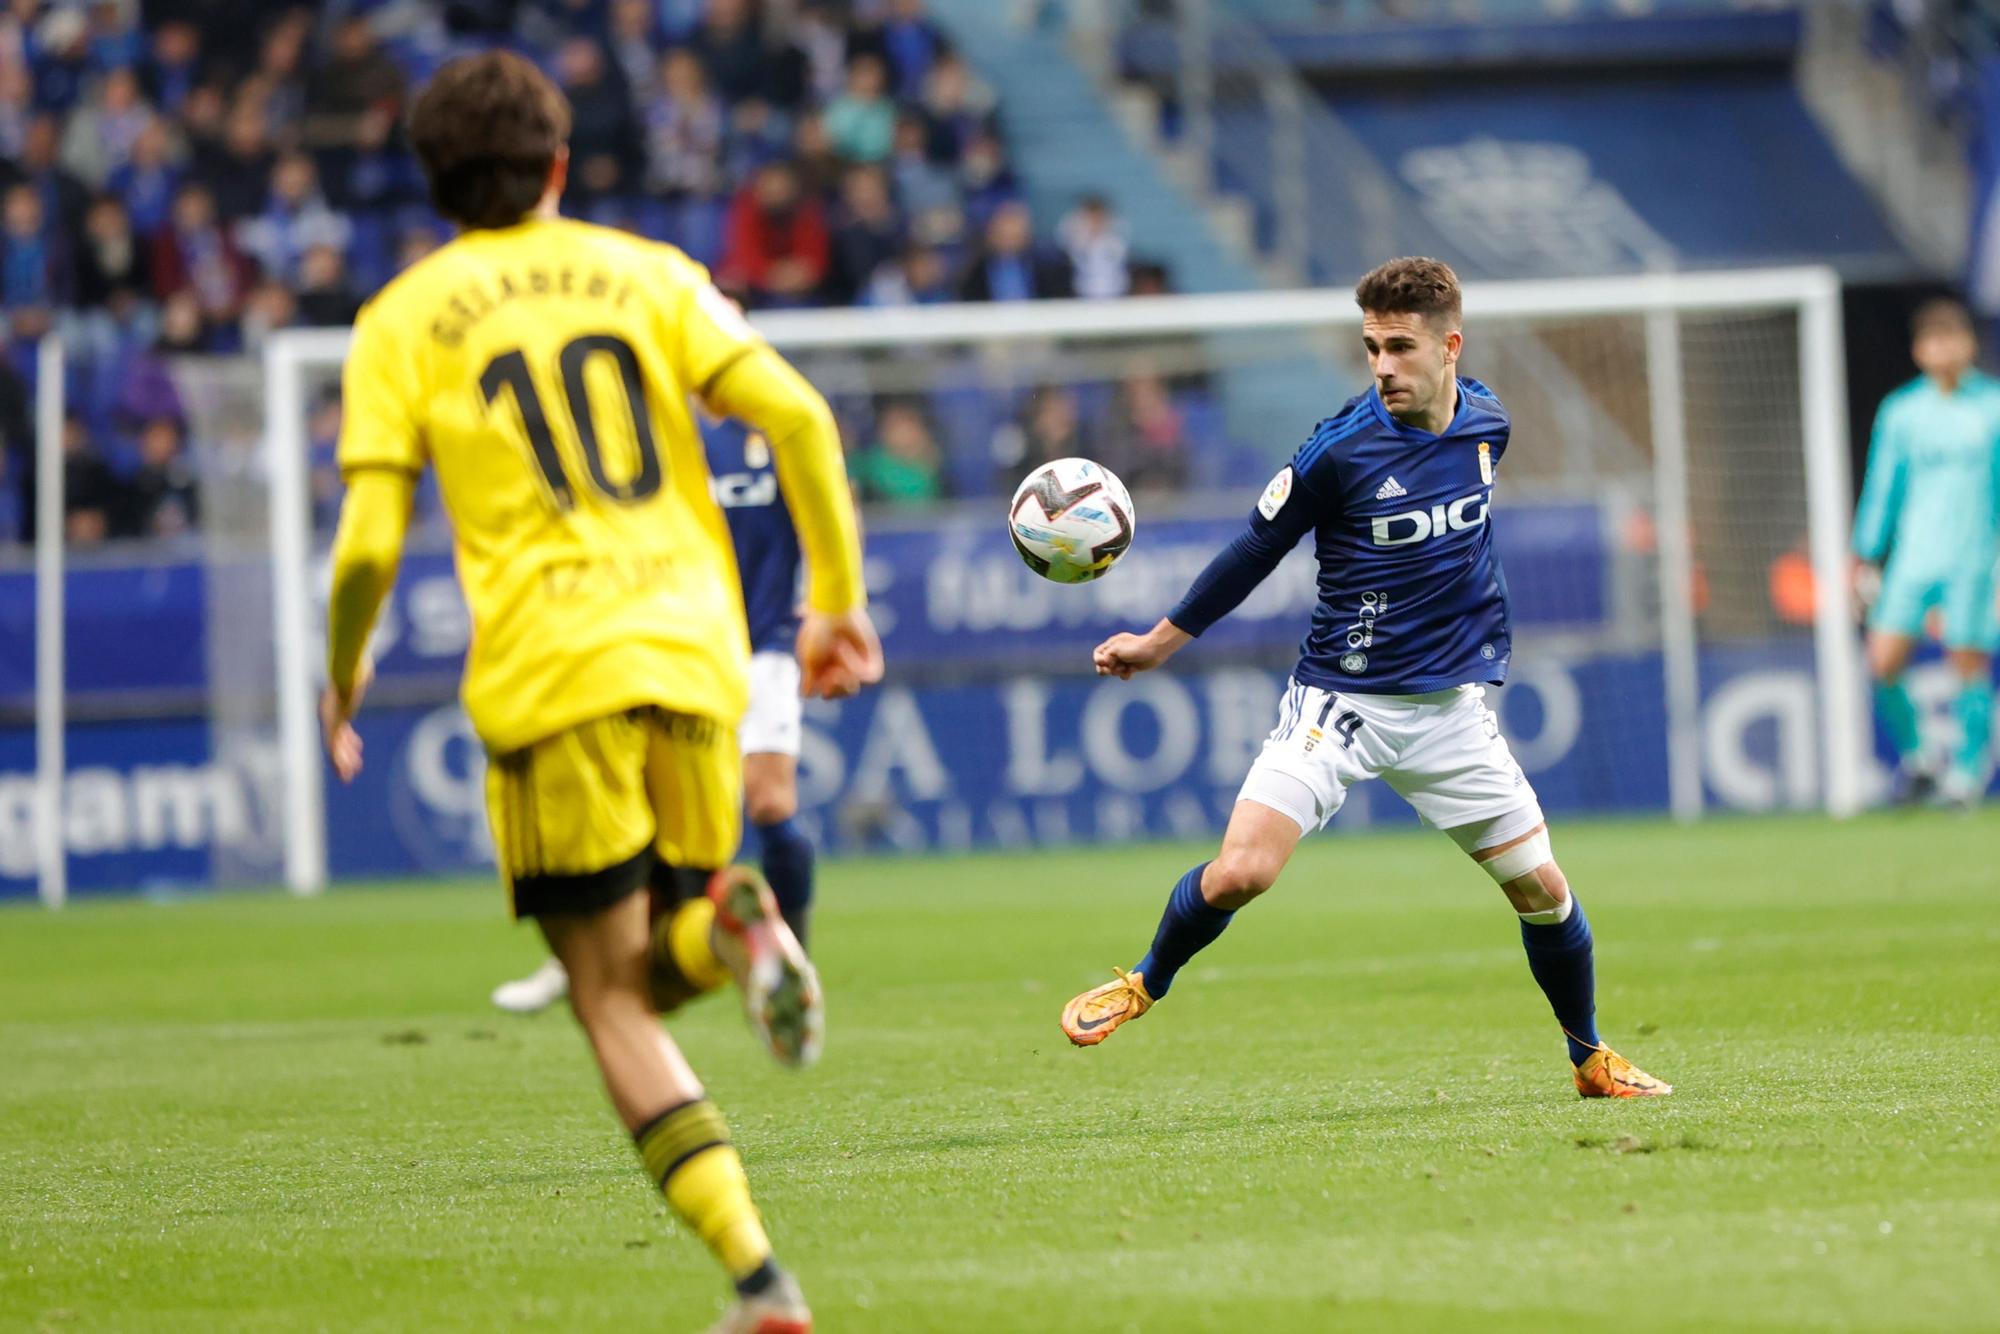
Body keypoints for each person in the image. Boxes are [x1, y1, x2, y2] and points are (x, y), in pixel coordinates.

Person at [318, 52, 880, 1334]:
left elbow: (361, 546)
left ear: (429, 185)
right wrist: (833, 605)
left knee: (603, 990)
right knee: (659, 955)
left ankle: (756, 1278)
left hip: (550, 669)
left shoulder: (401, 319)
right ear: (559, 165)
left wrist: (340, 683)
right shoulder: (650, 272)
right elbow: (797, 419)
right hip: (696, 651)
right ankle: (732, 922)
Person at [1059, 257, 1670, 1100]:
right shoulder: (1337, 451)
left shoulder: (1489, 423)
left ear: (1449, 346)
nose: (1382, 366)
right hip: (1340, 702)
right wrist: (1163, 640)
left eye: (1400, 347)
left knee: (1544, 891)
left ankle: (1591, 1058)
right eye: (1371, 348)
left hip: (1451, 713)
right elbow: (1254, 550)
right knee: (1242, 872)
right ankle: (1144, 981)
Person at [497, 409, 829, 1006]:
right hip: (680, 646)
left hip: (766, 641)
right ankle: (580, 956)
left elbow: (832, 502)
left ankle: (790, 966)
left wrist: (831, 601)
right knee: (639, 815)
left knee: (771, 800)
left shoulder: (775, 420)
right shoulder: (655, 431)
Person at [1853, 296, 2000, 806]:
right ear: (1919, 350)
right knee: (1883, 662)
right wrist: (1866, 552)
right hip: (1914, 559)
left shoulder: (1992, 407)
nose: (1943, 350)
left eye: (1952, 338)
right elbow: (1883, 485)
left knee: (1967, 662)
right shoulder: (1902, 412)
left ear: (1969, 344)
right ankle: (1919, 760)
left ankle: (1965, 775)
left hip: (1975, 558)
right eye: (1933, 341)